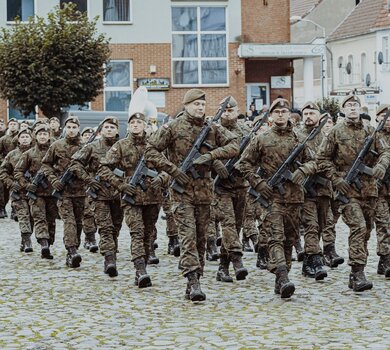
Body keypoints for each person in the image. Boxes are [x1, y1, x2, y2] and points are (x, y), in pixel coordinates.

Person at [144, 89, 239, 302]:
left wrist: (211, 155)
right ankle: (193, 281)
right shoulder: (173, 127)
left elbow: (235, 145)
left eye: (203, 105)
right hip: (181, 193)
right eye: (196, 104)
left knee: (201, 238)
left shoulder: (212, 128)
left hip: (205, 193)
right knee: (187, 237)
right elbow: (150, 150)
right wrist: (173, 169)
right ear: (186, 106)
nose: (200, 108)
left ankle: (196, 279)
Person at [236, 98, 316, 298]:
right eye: (277, 111)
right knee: (275, 237)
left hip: (295, 197)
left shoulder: (299, 139)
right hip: (272, 197)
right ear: (271, 116)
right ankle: (282, 274)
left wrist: (303, 170)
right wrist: (258, 183)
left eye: (284, 111)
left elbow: (315, 162)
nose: (280, 114)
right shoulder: (261, 139)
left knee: (290, 239)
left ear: (289, 114)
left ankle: (282, 277)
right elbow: (244, 164)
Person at [317, 95, 390, 292]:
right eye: (348, 106)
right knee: (358, 226)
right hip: (347, 190)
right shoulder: (335, 132)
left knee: (366, 230)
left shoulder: (371, 131)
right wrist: (336, 178)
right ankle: (357, 272)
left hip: (369, 190)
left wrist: (381, 166)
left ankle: (357, 270)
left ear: (360, 109)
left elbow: (385, 152)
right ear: (343, 110)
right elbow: (322, 159)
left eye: (355, 105)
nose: (352, 108)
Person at [98, 112, 167, 287]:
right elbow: (104, 169)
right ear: (128, 127)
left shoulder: (154, 146)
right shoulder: (120, 146)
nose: (136, 125)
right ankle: (140, 269)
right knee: (137, 232)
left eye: (139, 122)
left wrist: (160, 178)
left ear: (145, 126)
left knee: (148, 234)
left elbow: (168, 167)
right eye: (133, 123)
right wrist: (120, 185)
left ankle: (142, 266)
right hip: (131, 197)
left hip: (152, 197)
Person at [70, 116, 123, 276]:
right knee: (105, 228)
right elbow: (75, 164)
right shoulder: (92, 147)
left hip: (118, 194)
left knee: (116, 227)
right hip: (99, 194)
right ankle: (109, 260)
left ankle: (111, 251)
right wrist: (88, 179)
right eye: (106, 127)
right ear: (101, 130)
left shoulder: (123, 146)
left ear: (117, 130)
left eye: (112, 127)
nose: (109, 130)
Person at [212, 96, 249, 283]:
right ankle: (237, 260)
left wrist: (240, 166)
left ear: (237, 111)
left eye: (230, 110)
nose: (227, 113)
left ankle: (222, 268)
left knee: (236, 227)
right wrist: (217, 163)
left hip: (240, 184)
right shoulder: (212, 131)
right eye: (224, 110)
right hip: (220, 187)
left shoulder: (245, 131)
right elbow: (203, 151)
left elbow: (253, 154)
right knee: (228, 223)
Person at [41, 116, 85, 268]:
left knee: (79, 222)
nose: (71, 130)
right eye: (69, 127)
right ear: (65, 128)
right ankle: (72, 250)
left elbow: (94, 167)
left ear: (78, 128)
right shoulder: (57, 145)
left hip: (81, 191)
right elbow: (46, 165)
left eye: (74, 127)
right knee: (69, 221)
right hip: (63, 191)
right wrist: (54, 180)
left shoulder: (86, 146)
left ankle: (73, 251)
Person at [14, 124, 58, 259]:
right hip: (36, 193)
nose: (43, 136)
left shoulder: (56, 152)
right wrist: (26, 185)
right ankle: (43, 244)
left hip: (52, 192)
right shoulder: (29, 154)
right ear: (35, 136)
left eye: (45, 134)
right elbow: (18, 171)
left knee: (51, 220)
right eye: (40, 134)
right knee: (39, 219)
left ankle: (48, 243)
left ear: (49, 136)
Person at [297, 102, 329, 281]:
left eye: (312, 113)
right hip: (304, 190)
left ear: (319, 116)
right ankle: (316, 262)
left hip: (323, 189)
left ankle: (307, 262)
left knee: (321, 226)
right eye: (306, 113)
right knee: (311, 225)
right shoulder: (296, 135)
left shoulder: (326, 136)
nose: (308, 116)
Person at [0, 128, 33, 252]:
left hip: (34, 192)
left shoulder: (36, 153)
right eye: (22, 137)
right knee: (23, 216)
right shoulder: (12, 154)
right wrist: (11, 183)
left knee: (32, 217)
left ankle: (24, 240)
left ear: (31, 138)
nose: (25, 139)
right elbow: (3, 171)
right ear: (18, 139)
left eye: (27, 137)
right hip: (18, 191)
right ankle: (28, 242)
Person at [373, 104, 390, 278]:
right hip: (379, 189)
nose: (388, 118)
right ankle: (385, 259)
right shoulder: (373, 136)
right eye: (384, 115)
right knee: (383, 224)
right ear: (377, 117)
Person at [0, 118, 20, 218]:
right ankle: (2, 208)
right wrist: (4, 160)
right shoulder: (3, 139)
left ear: (18, 126)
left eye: (15, 124)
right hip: (7, 166)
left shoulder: (21, 137)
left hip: (19, 167)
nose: (13, 126)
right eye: (11, 124)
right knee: (3, 189)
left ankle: (15, 210)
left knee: (17, 188)